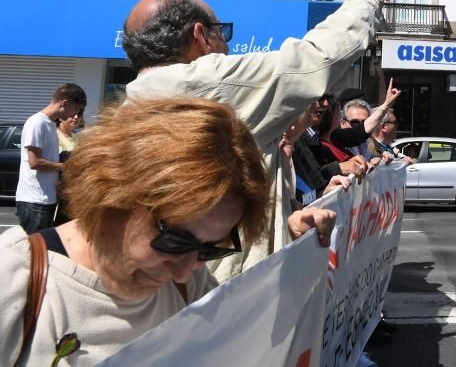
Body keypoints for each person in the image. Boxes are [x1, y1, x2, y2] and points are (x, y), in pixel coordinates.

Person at [0, 97, 336, 366]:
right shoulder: (16, 280)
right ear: (113, 191)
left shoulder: (189, 287)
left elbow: (254, 342)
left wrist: (297, 251)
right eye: (174, 241)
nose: (186, 268)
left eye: (211, 249)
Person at [121, 0, 394, 281]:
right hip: (228, 291)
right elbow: (314, 60)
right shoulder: (207, 84)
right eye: (222, 33)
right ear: (200, 35)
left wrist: (283, 222)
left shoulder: (131, 106)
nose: (228, 45)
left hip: (175, 287)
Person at [15, 84, 87, 234]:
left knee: (43, 247)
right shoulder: (37, 122)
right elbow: (34, 162)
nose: (74, 114)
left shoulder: (49, 124)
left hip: (46, 197)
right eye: (75, 109)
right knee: (34, 249)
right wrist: (63, 166)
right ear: (64, 103)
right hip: (34, 200)